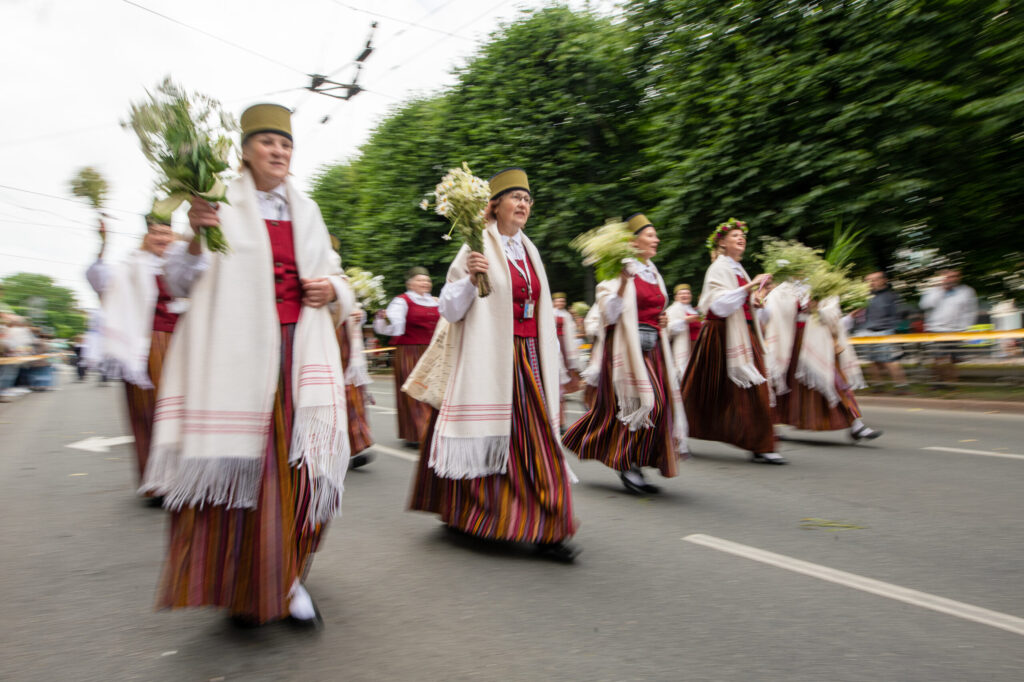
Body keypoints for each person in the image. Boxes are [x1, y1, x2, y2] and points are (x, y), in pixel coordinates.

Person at [141, 103, 354, 627]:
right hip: (237, 358)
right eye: (266, 142)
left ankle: (288, 578)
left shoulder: (307, 209)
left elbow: (336, 277)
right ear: (244, 151)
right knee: (248, 471)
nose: (278, 152)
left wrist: (332, 289)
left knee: (297, 473)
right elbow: (179, 283)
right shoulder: (216, 204)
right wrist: (195, 234)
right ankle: (243, 584)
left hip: (297, 354)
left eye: (285, 144)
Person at [408, 167, 578, 562]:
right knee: (500, 437)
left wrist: (554, 364)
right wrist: (469, 278)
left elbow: (539, 311)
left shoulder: (530, 251)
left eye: (527, 200)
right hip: (490, 357)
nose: (523, 205)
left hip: (527, 357)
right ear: (494, 206)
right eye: (516, 198)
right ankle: (474, 514)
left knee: (535, 441)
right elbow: (449, 310)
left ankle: (549, 527)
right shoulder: (475, 244)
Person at [562, 213, 688, 493]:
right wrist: (621, 280)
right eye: (650, 235)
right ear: (634, 241)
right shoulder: (617, 269)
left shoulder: (652, 271)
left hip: (653, 347)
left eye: (655, 235)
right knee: (643, 402)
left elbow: (655, 306)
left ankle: (634, 462)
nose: (656, 239)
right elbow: (609, 313)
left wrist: (662, 319)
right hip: (624, 347)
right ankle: (628, 466)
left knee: (659, 404)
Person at [86, 214, 182, 491]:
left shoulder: (184, 262)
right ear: (146, 237)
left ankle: (184, 478)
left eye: (167, 233)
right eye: (156, 233)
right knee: (148, 410)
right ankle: (157, 482)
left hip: (184, 342)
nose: (162, 238)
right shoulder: (132, 265)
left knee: (182, 411)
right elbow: (99, 280)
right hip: (147, 345)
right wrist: (103, 244)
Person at [681, 219, 786, 464]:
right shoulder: (719, 268)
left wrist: (758, 300)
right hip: (721, 335)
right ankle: (678, 430)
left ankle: (762, 443)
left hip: (745, 335)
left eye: (743, 235)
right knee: (703, 390)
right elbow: (717, 305)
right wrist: (749, 288)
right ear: (722, 242)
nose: (741, 238)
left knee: (755, 388)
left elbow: (751, 308)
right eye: (735, 235)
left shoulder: (739, 269)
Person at [765, 283, 882, 441]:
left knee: (835, 379)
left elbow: (833, 313)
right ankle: (772, 427)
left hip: (818, 340)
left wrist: (816, 309)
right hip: (791, 343)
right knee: (782, 382)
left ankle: (856, 425)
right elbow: (773, 313)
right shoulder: (783, 288)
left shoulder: (821, 284)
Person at [374, 267, 439, 444]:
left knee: (434, 390)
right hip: (410, 351)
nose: (425, 283)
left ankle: (433, 430)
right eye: (420, 280)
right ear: (410, 283)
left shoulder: (436, 301)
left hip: (433, 351)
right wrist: (384, 319)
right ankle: (420, 432)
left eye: (427, 280)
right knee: (415, 390)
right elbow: (393, 327)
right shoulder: (401, 301)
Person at [919, 268, 978, 385]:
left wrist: (965, 328)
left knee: (952, 359)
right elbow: (924, 305)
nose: (951, 279)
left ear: (959, 277)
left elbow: (970, 311)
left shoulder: (966, 291)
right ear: (943, 278)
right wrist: (941, 290)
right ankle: (937, 382)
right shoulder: (934, 290)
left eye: (955, 276)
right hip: (936, 329)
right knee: (938, 358)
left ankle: (951, 383)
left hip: (956, 330)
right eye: (948, 276)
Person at [856, 271, 908, 392]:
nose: (871, 283)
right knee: (872, 361)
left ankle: (901, 386)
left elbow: (898, 314)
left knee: (891, 360)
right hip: (866, 332)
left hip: (885, 332)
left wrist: (891, 329)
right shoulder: (863, 296)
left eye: (874, 280)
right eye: (868, 281)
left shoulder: (891, 296)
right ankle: (878, 386)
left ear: (884, 280)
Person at [338, 306, 375, 469]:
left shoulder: (343, 284)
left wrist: (359, 315)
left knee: (352, 401)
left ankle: (354, 449)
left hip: (349, 357)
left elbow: (355, 310)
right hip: (325, 346)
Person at [552, 292, 583, 430]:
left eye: (562, 300)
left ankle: (561, 421)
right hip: (553, 346)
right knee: (555, 384)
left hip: (564, 346)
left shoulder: (567, 316)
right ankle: (558, 420)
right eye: (558, 300)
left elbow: (571, 332)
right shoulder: (549, 312)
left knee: (561, 388)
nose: (560, 303)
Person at [666, 283, 701, 379]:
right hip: (685, 346)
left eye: (687, 293)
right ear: (676, 297)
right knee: (686, 374)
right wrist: (685, 320)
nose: (685, 296)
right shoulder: (673, 310)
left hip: (697, 346)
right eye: (681, 294)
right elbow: (669, 328)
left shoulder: (694, 311)